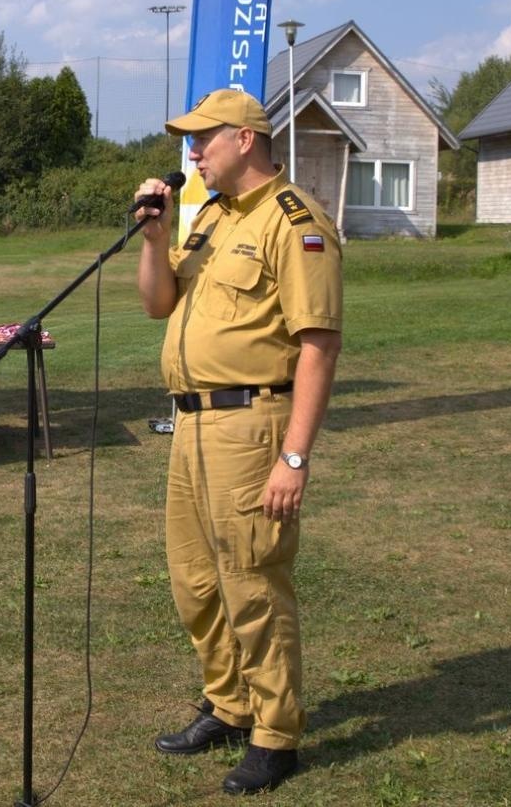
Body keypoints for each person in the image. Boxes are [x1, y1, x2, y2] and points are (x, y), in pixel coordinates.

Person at [133, 89, 342, 796]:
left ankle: (276, 732)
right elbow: (158, 302)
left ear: (246, 139)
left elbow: (318, 345)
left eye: (203, 139)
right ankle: (229, 702)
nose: (192, 153)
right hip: (189, 423)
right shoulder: (211, 218)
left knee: (254, 581)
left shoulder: (296, 221)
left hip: (250, 426)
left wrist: (294, 455)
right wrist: (155, 241)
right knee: (193, 578)